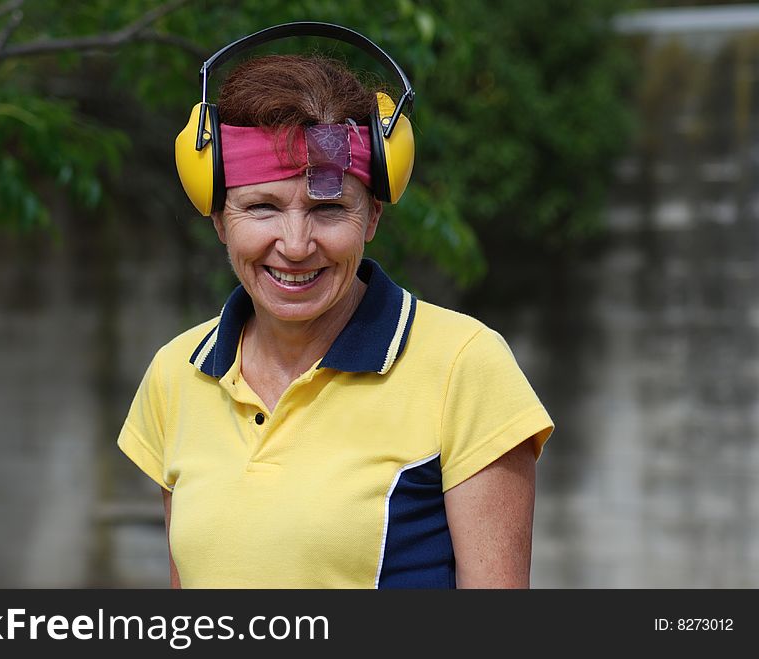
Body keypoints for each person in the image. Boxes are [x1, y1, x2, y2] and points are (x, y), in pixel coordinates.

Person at [118, 23, 553, 589]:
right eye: (263, 207)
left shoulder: (463, 367)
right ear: (219, 217)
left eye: (329, 210)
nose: (296, 245)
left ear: (372, 215)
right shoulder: (177, 375)